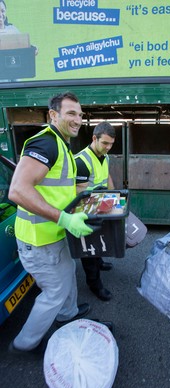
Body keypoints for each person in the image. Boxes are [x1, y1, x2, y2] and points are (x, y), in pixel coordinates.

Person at [8, 92, 94, 355]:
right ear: (53, 115)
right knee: (54, 292)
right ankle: (24, 344)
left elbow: (56, 188)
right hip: (39, 240)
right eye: (71, 113)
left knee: (67, 274)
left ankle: (68, 315)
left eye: (80, 114)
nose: (77, 119)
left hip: (55, 235)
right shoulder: (46, 143)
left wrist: (85, 194)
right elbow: (18, 190)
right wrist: (64, 218)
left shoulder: (62, 144)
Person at [75, 121, 116, 301]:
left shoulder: (104, 156)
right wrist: (104, 205)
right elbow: (80, 196)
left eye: (111, 144)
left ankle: (99, 262)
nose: (108, 147)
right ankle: (94, 284)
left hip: (100, 206)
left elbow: (107, 177)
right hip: (86, 210)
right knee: (88, 248)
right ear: (94, 138)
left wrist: (114, 199)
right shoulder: (82, 161)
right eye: (105, 143)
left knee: (100, 238)